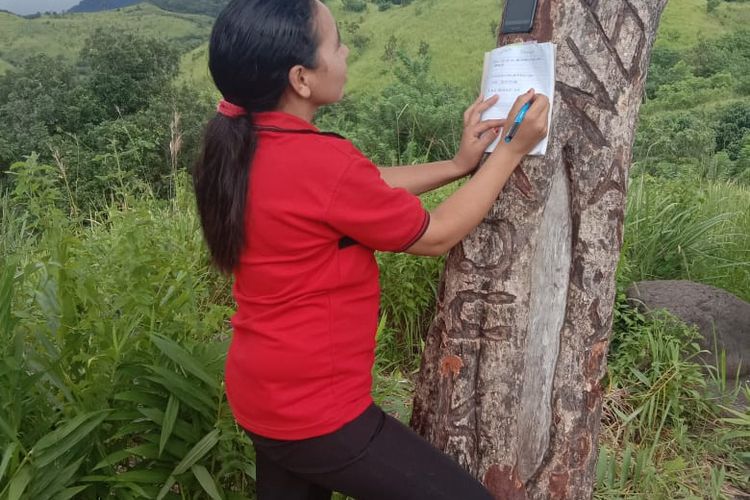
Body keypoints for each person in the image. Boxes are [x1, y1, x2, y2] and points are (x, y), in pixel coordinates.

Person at [192, 0, 549, 498]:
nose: (346, 50)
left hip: (261, 395)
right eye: (335, 43)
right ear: (301, 78)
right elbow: (439, 233)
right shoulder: (321, 163)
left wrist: (456, 165)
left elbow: (363, 187)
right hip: (316, 412)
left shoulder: (243, 144)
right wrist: (509, 151)